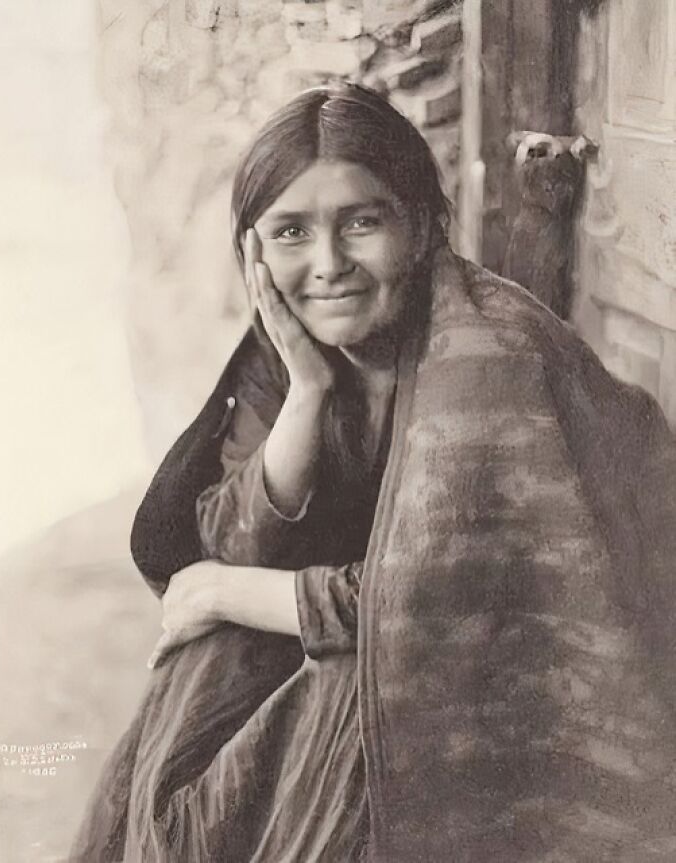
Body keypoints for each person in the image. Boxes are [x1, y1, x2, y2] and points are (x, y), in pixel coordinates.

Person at [72, 82, 676, 863]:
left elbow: (436, 600)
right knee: (204, 688)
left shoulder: (487, 353)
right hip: (403, 628)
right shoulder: (292, 347)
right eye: (290, 232)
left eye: (361, 222)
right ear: (253, 251)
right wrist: (307, 397)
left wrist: (224, 589)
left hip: (544, 653)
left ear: (422, 226)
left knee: (339, 690)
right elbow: (232, 537)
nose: (328, 265)